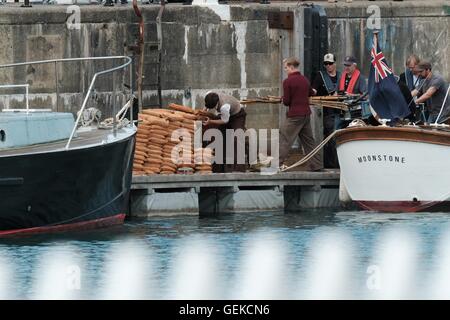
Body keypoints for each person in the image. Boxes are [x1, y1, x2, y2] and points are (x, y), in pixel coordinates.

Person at [279, 57, 323, 171]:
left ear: (291, 67)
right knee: (309, 141)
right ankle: (317, 165)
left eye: (286, 68)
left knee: (285, 138)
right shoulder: (304, 80)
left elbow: (287, 101)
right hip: (305, 115)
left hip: (294, 115)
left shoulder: (287, 82)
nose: (285, 70)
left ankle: (276, 164)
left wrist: (282, 99)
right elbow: (310, 93)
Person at [203, 91, 247, 172]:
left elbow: (224, 121)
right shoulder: (209, 94)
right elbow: (206, 107)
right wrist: (203, 111)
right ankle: (218, 169)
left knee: (236, 140)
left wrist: (210, 122)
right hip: (225, 115)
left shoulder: (224, 106)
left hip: (237, 115)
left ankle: (238, 170)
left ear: (216, 104)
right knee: (218, 137)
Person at [311, 53, 341, 168]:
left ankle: (337, 162)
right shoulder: (320, 76)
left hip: (339, 112)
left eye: (330, 63)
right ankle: (329, 163)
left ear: (335, 63)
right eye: (326, 64)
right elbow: (313, 90)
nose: (328, 66)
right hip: (326, 112)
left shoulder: (341, 76)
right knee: (329, 137)